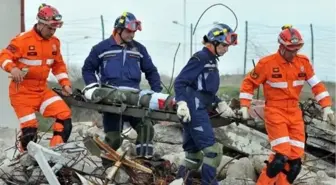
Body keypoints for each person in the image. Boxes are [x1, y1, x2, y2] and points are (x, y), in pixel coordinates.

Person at [239, 24, 335, 185]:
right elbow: (249, 84)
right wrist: (244, 105)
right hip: (275, 111)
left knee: (295, 160)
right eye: (290, 49)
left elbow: (317, 85)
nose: (293, 53)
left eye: (296, 49)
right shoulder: (267, 64)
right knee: (280, 156)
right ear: (281, 46)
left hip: (294, 113)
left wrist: (326, 105)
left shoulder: (303, 62)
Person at [81, 12, 162, 159]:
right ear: (118, 30)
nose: (132, 35)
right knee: (114, 139)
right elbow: (87, 69)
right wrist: (92, 88)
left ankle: (144, 164)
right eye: (129, 31)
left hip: (135, 100)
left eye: (134, 32)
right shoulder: (101, 48)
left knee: (146, 128)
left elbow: (151, 71)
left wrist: (156, 93)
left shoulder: (139, 50)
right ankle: (105, 167)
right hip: (111, 100)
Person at [0, 3, 73, 151]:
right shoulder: (23, 40)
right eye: (50, 28)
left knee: (64, 116)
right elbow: (4, 56)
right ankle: (23, 158)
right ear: (40, 24)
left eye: (55, 28)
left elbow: (58, 65)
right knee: (30, 131)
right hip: (21, 93)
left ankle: (54, 152)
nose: (52, 32)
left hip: (41, 91)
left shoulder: (54, 43)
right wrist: (12, 68)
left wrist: (65, 83)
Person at [173, 23, 238, 185]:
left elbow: (205, 91)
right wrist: (181, 103)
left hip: (200, 107)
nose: (226, 49)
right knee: (212, 152)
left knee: (193, 155)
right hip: (193, 109)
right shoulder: (200, 58)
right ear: (213, 42)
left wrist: (220, 103)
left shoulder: (211, 60)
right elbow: (180, 82)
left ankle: (181, 181)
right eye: (224, 45)